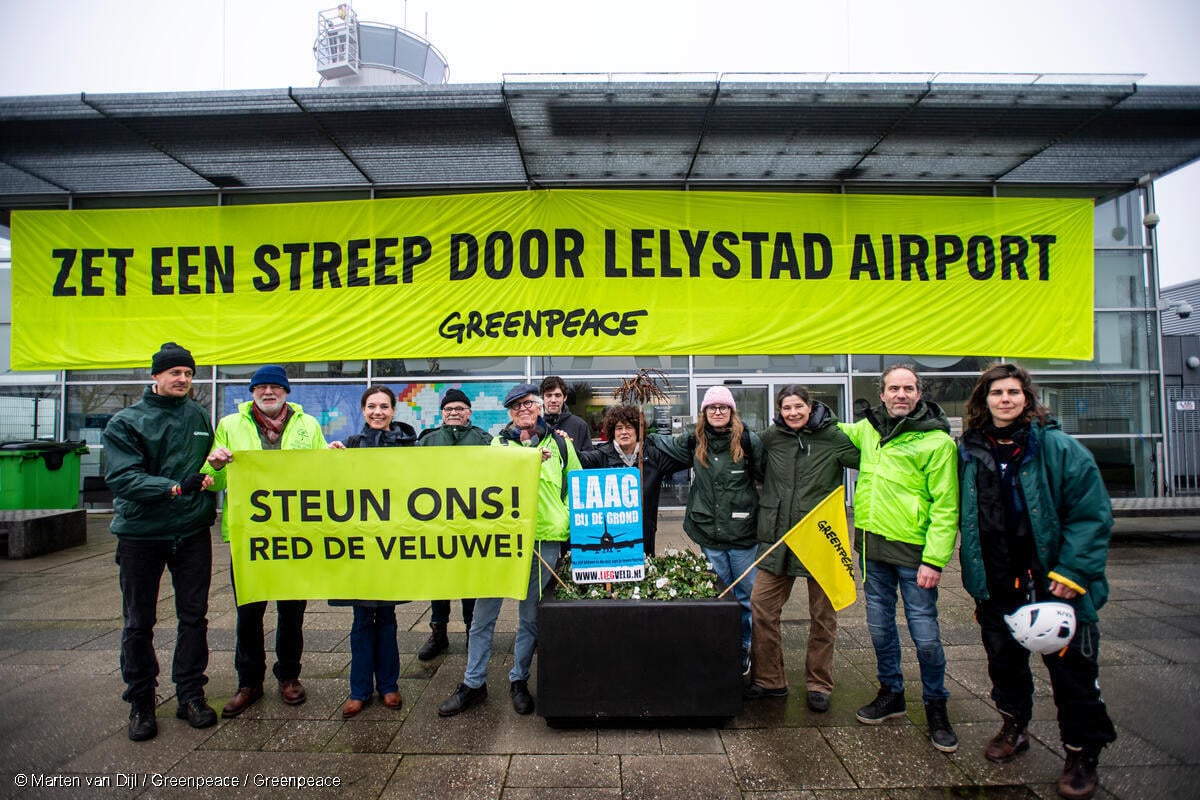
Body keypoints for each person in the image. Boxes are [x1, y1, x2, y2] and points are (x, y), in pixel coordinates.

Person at [958, 363, 1116, 799]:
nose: (1005, 399)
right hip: (996, 584)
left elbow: (1091, 513)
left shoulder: (1057, 447)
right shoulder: (969, 449)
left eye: (1013, 392)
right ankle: (1014, 726)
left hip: (1055, 585)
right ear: (984, 400)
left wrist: (1073, 572)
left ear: (1027, 398)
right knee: (1004, 667)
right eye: (996, 393)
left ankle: (1081, 753)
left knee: (1073, 677)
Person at [438, 383, 581, 717]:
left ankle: (519, 680)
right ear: (510, 414)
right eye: (516, 406)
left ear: (540, 406)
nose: (523, 410)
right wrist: (526, 461)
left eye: (528, 403)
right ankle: (473, 683)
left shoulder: (561, 444)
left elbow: (575, 488)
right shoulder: (497, 445)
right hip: (502, 543)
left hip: (544, 540)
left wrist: (566, 525)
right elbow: (490, 485)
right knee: (482, 617)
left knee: (530, 618)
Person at [839, 364, 959, 753]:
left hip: (915, 555)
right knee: (880, 630)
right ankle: (891, 692)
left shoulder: (937, 442)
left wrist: (935, 560)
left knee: (926, 637)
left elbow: (946, 507)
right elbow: (836, 433)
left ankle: (936, 705)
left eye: (908, 388)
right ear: (883, 394)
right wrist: (813, 415)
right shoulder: (869, 429)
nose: (901, 394)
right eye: (894, 388)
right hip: (873, 549)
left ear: (918, 394)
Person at [103, 342, 219, 741]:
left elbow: (202, 466)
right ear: (156, 376)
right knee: (139, 622)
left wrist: (211, 470)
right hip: (142, 534)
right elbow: (123, 478)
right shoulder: (126, 422)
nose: (183, 379)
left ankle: (190, 693)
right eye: (175, 373)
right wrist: (173, 487)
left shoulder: (198, 415)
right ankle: (141, 700)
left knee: (194, 616)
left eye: (188, 373)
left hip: (191, 531)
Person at [202, 365, 328, 718]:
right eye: (261, 387)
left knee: (291, 612)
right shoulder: (230, 425)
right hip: (250, 536)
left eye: (275, 387)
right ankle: (249, 682)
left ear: (286, 392)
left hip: (294, 535)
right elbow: (213, 479)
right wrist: (215, 465)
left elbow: (324, 472)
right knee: (248, 612)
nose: (268, 392)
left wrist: (333, 457)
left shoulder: (308, 425)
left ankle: (289, 676)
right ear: (252, 392)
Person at [745, 385, 860, 712]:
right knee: (761, 605)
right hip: (778, 536)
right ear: (779, 411)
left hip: (818, 537)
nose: (793, 413)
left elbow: (870, 462)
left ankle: (818, 683)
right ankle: (769, 679)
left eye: (798, 406)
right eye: (786, 408)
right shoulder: (771, 437)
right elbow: (748, 457)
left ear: (810, 406)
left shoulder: (834, 437)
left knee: (823, 614)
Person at [653, 385, 762, 674]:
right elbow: (665, 443)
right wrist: (643, 432)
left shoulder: (749, 441)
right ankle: (724, 645)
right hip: (708, 533)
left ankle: (746, 646)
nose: (717, 411)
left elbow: (765, 476)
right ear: (704, 412)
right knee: (720, 594)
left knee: (746, 596)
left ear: (731, 411)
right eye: (712, 407)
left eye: (723, 407)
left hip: (742, 534)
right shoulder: (694, 439)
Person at [327, 385, 416, 717]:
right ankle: (359, 690)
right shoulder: (351, 445)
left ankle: (389, 686)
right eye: (372, 406)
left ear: (393, 411)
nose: (378, 412)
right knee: (362, 618)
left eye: (384, 406)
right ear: (363, 410)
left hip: (392, 543)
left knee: (388, 617)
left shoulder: (409, 447)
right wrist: (330, 462)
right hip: (361, 546)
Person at [414, 387, 491, 660]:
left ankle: (472, 630)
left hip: (471, 521)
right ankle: (439, 632)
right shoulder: (428, 441)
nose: (454, 413)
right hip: (436, 521)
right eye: (449, 409)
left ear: (469, 412)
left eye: (459, 408)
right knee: (439, 581)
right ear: (442, 413)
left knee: (470, 580)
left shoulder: (484, 440)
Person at [577, 405, 687, 556]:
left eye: (629, 427)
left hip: (645, 533)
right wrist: (564, 442)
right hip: (613, 533)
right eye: (619, 428)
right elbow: (578, 460)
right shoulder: (602, 456)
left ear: (637, 430)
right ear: (612, 432)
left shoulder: (653, 456)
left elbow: (686, 457)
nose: (624, 432)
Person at [540, 375, 595, 453]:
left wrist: (571, 448)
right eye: (549, 395)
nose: (553, 400)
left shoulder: (580, 425)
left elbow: (589, 458)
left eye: (557, 395)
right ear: (542, 398)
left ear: (565, 397)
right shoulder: (533, 424)